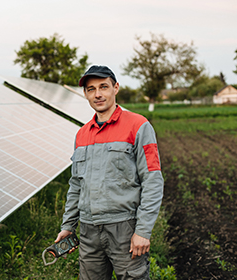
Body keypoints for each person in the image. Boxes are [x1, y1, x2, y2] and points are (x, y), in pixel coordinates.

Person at [55, 65, 164, 280]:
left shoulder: (139, 125)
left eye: (103, 87)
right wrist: (68, 225)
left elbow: (152, 180)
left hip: (124, 228)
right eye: (91, 89)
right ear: (85, 94)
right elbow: (76, 184)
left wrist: (142, 231)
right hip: (88, 231)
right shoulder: (82, 134)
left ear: (116, 88)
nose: (98, 94)